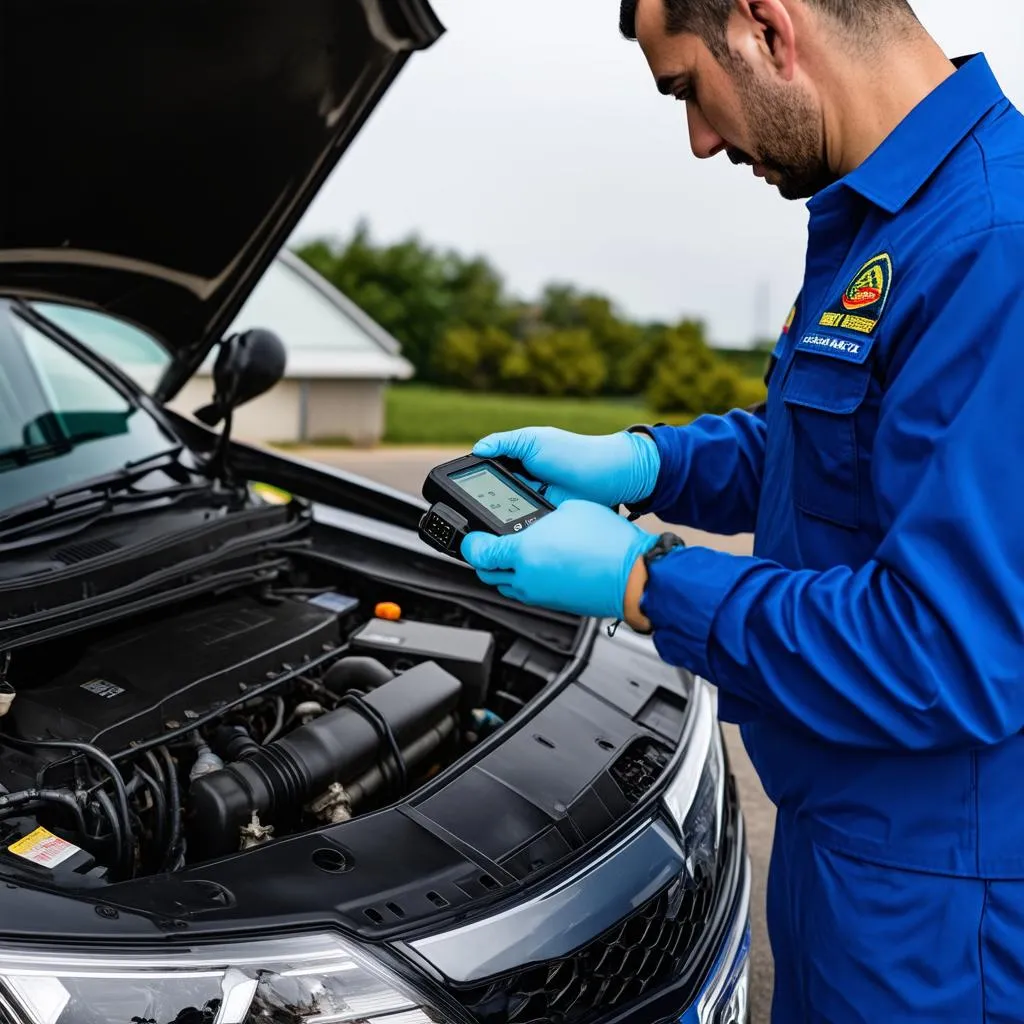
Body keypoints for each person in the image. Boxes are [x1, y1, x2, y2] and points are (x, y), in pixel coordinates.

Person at [459, 1, 1024, 1021]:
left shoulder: (994, 243)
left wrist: (644, 581)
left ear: (769, 27)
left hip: (944, 910)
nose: (701, 140)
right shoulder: (891, 219)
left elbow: (945, 650)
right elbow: (823, 453)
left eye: (686, 90)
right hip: (847, 850)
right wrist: (643, 462)